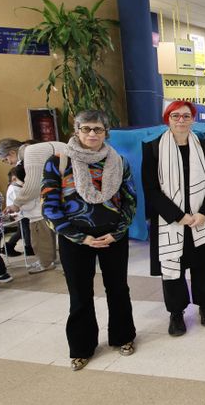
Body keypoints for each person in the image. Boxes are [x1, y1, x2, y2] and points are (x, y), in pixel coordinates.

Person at [41, 110, 137, 371]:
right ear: (76, 131)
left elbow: (130, 201)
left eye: (98, 129)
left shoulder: (119, 161)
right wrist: (79, 237)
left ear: (106, 132)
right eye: (86, 129)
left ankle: (123, 337)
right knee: (80, 294)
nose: (92, 134)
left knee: (118, 289)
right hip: (75, 239)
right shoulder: (58, 162)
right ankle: (82, 348)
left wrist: (118, 232)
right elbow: (48, 206)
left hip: (112, 236)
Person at [141, 101, 205, 337]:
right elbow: (151, 189)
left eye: (186, 116)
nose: (181, 120)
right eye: (175, 116)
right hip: (171, 220)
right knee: (172, 270)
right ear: (167, 118)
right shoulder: (152, 148)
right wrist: (178, 216)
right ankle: (176, 314)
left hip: (199, 219)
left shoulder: (202, 144)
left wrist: (204, 213)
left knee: (202, 267)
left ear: (193, 119)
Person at [0, 137, 66, 273]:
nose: (8, 163)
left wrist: (16, 204)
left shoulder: (30, 152)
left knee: (42, 238)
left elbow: (33, 186)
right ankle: (49, 261)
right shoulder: (33, 150)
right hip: (62, 192)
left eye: (5, 160)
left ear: (11, 153)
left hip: (62, 194)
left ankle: (46, 263)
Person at [3, 167, 35, 257]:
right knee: (25, 230)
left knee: (21, 231)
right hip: (19, 214)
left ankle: (8, 247)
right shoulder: (14, 189)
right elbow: (19, 204)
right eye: (23, 181)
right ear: (14, 179)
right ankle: (28, 248)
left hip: (22, 213)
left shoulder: (16, 186)